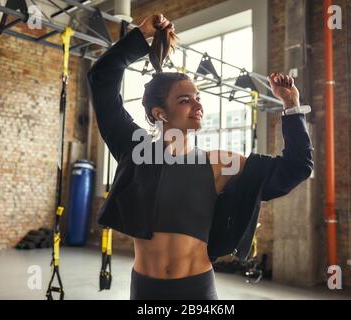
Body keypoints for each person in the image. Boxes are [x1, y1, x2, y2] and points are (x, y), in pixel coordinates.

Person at [87, 13, 313, 300]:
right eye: (185, 100)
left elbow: (296, 167)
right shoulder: (135, 151)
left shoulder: (218, 164)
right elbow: (101, 79)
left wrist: (291, 105)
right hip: (145, 290)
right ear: (160, 113)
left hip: (198, 291)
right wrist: (140, 35)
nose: (197, 105)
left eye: (198, 98)